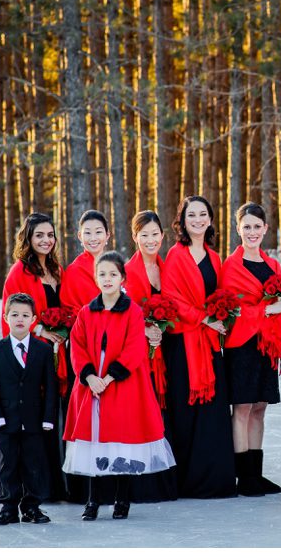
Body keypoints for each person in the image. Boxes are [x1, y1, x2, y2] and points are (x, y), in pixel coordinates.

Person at [63, 251, 176, 520]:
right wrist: (90, 377)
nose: (107, 279)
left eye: (113, 274)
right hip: (92, 387)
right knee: (96, 443)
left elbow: (135, 347)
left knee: (121, 444)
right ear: (95, 278)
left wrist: (110, 377)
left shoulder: (133, 311)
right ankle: (93, 501)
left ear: (122, 278)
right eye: (102, 274)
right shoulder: (86, 313)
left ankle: (121, 499)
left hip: (122, 385)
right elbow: (76, 347)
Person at [161, 196, 236, 498]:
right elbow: (172, 298)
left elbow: (220, 296)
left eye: (203, 214)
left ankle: (212, 480)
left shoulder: (215, 258)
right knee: (185, 412)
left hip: (207, 343)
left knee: (212, 413)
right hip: (181, 344)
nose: (198, 220)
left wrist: (221, 317)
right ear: (182, 220)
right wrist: (204, 318)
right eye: (191, 215)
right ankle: (185, 480)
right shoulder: (176, 256)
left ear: (210, 219)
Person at [219, 203, 281, 497]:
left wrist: (277, 311)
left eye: (256, 227)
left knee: (260, 407)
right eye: (246, 227)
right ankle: (243, 477)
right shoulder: (231, 266)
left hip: (266, 345)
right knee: (244, 408)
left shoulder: (272, 265)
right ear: (238, 229)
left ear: (265, 229)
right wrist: (267, 310)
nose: (252, 232)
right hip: (242, 344)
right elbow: (231, 310)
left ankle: (256, 474)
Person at [0, 212, 68, 501]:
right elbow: (11, 313)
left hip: (57, 352)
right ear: (28, 238)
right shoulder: (20, 272)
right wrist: (40, 328)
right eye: (39, 235)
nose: (46, 240)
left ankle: (56, 483)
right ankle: (34, 487)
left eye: (50, 235)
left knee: (54, 415)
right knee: (35, 417)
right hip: (33, 353)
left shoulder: (56, 269)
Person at [0, 293, 58, 525]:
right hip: (6, 420)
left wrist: (48, 417)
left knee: (33, 463)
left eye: (25, 315)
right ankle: (8, 508)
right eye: (14, 314)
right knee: (9, 464)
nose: (20, 319)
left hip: (34, 420)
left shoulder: (43, 350)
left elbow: (51, 387)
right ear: (6, 317)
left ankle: (32, 507)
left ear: (34, 319)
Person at [123, 210, 178, 503]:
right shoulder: (128, 270)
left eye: (155, 234)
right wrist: (146, 329)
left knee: (163, 410)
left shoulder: (166, 265)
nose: (150, 240)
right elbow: (123, 310)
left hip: (165, 349)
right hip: (139, 353)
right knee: (143, 409)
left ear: (162, 236)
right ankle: (140, 483)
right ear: (135, 237)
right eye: (144, 235)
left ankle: (164, 481)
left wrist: (161, 329)